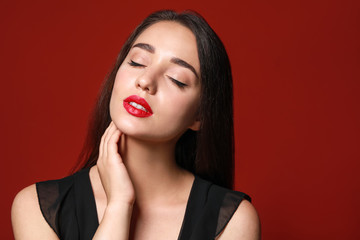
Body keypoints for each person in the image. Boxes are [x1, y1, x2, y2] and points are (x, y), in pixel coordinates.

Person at [11, 10, 260, 240]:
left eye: (177, 79)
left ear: (200, 116)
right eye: (137, 62)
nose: (145, 80)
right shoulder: (36, 208)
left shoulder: (233, 221)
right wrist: (119, 205)